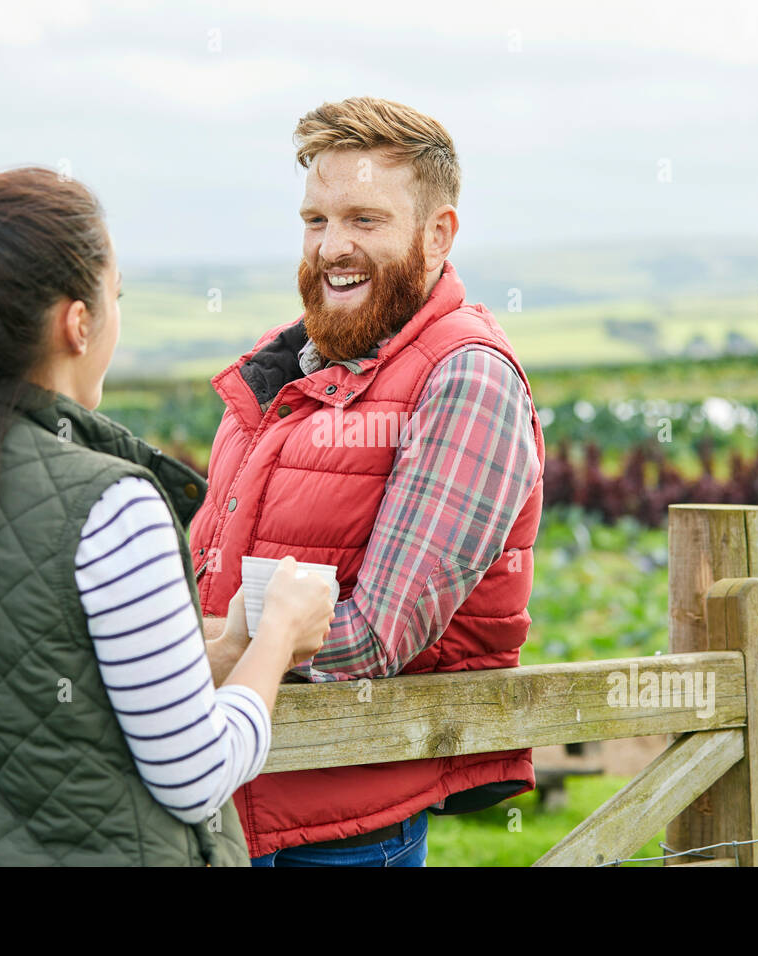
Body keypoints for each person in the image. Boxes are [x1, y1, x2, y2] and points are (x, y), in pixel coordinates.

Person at [0, 166, 333, 866]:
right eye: (116, 298)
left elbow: (38, 694)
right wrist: (279, 635)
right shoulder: (113, 504)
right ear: (79, 322)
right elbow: (194, 776)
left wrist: (220, 652)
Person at [192, 97, 546, 866]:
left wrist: (180, 664)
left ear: (437, 235)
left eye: (364, 220)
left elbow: (375, 637)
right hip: (226, 801)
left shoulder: (467, 380)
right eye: (315, 221)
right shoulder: (284, 363)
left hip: (339, 830)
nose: (331, 248)